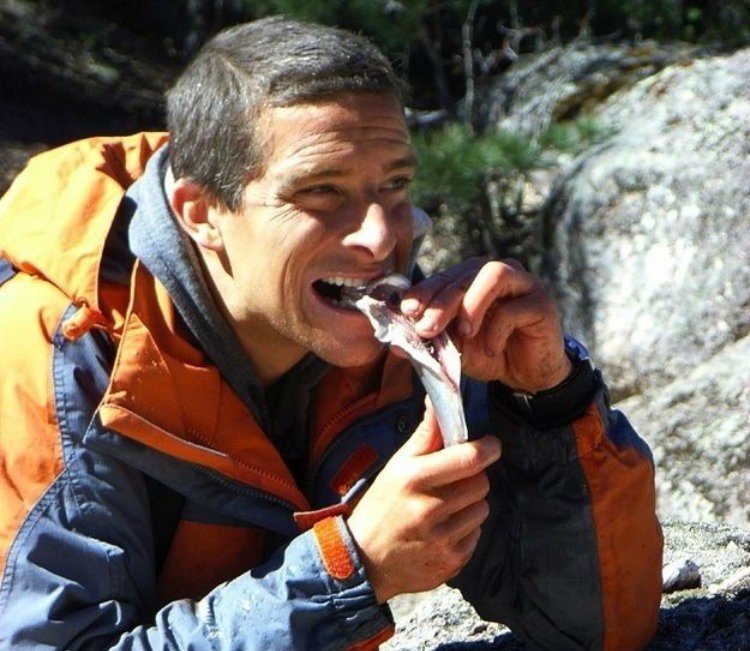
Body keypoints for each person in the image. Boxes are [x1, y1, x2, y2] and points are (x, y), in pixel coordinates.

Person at [0, 16, 662, 651]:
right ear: (201, 213)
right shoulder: (62, 360)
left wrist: (549, 401)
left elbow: (597, 630)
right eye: (321, 192)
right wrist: (352, 569)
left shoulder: (389, 343)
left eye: (395, 184)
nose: (380, 237)